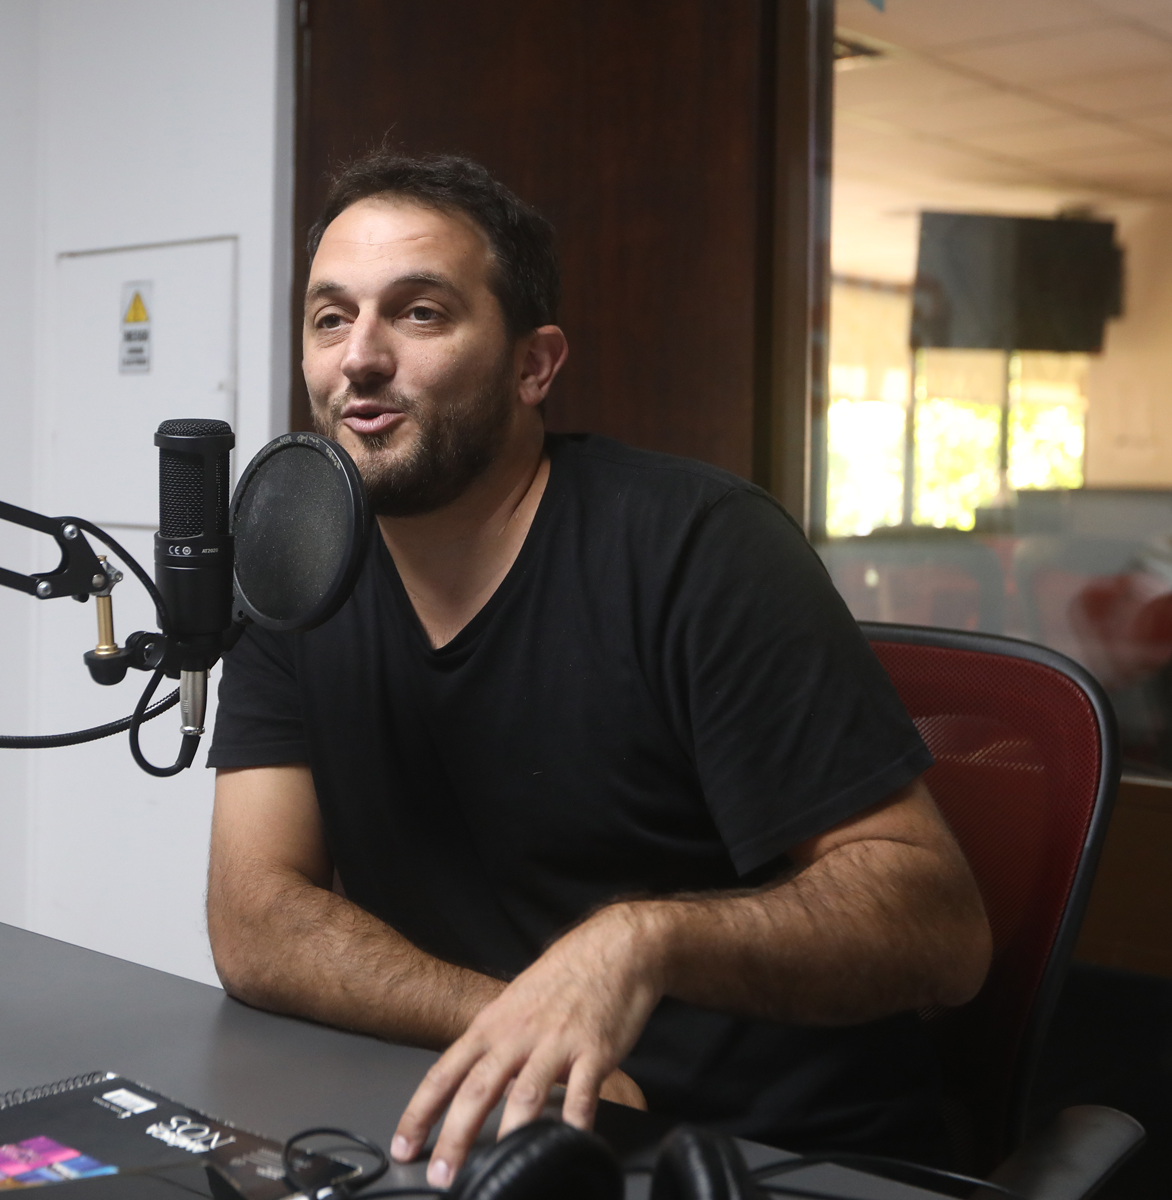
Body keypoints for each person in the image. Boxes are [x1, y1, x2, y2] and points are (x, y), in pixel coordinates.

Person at [203, 152, 991, 1184]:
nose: (359, 358)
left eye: (422, 313)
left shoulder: (698, 548)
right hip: (507, 1136)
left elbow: (942, 928)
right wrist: (516, 1017)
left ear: (535, 365)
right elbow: (255, 916)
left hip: (769, 1158)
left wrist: (640, 942)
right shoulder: (295, 570)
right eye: (330, 317)